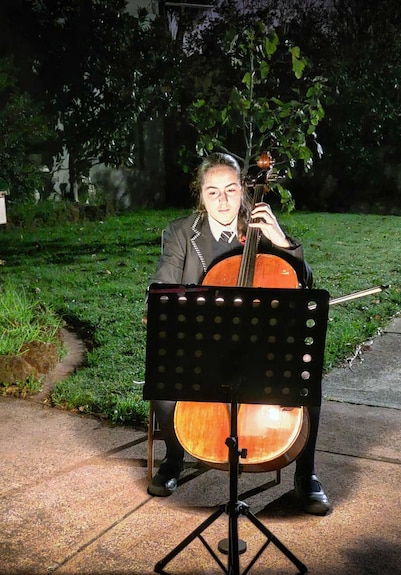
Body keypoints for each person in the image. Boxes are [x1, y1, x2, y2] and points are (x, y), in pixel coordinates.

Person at [146, 152, 330, 516]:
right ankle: (173, 459)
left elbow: (303, 279)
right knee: (166, 382)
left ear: (243, 191)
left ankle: (305, 474)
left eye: (230, 190)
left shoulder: (259, 227)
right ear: (201, 194)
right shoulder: (182, 232)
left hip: (258, 346)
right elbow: (163, 282)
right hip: (203, 343)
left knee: (305, 383)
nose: (223, 200)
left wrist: (281, 242)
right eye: (213, 192)